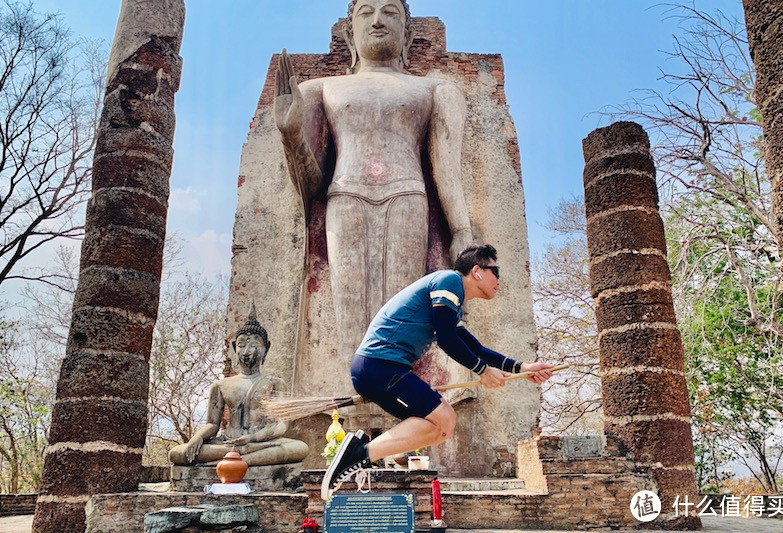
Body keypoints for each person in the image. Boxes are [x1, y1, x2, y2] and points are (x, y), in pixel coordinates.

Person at [274, 0, 474, 362]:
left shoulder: (432, 90)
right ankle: (358, 404)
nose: (378, 21)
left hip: (407, 196)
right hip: (345, 196)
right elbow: (311, 185)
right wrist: (291, 136)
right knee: (351, 315)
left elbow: (445, 169)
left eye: (390, 12)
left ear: (408, 34)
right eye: (366, 12)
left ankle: (398, 400)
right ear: (350, 32)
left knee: (401, 313)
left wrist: (461, 229)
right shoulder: (321, 89)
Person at [320, 245, 555, 499]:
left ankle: (374, 452)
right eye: (495, 271)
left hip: (382, 369)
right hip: (380, 365)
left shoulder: (453, 303)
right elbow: (446, 340)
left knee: (441, 427)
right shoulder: (449, 280)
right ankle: (359, 454)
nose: (499, 280)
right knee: (444, 419)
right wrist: (482, 371)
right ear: (477, 271)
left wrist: (523, 367)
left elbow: (473, 347)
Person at [169, 305, 309, 466]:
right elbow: (212, 424)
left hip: (259, 442)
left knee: (300, 448)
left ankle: (232, 460)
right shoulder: (221, 385)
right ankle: (239, 457)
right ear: (235, 348)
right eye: (242, 345)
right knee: (177, 453)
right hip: (228, 443)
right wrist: (197, 438)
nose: (247, 350)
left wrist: (251, 439)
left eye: (255, 344)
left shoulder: (275, 383)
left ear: (266, 348)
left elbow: (281, 425)